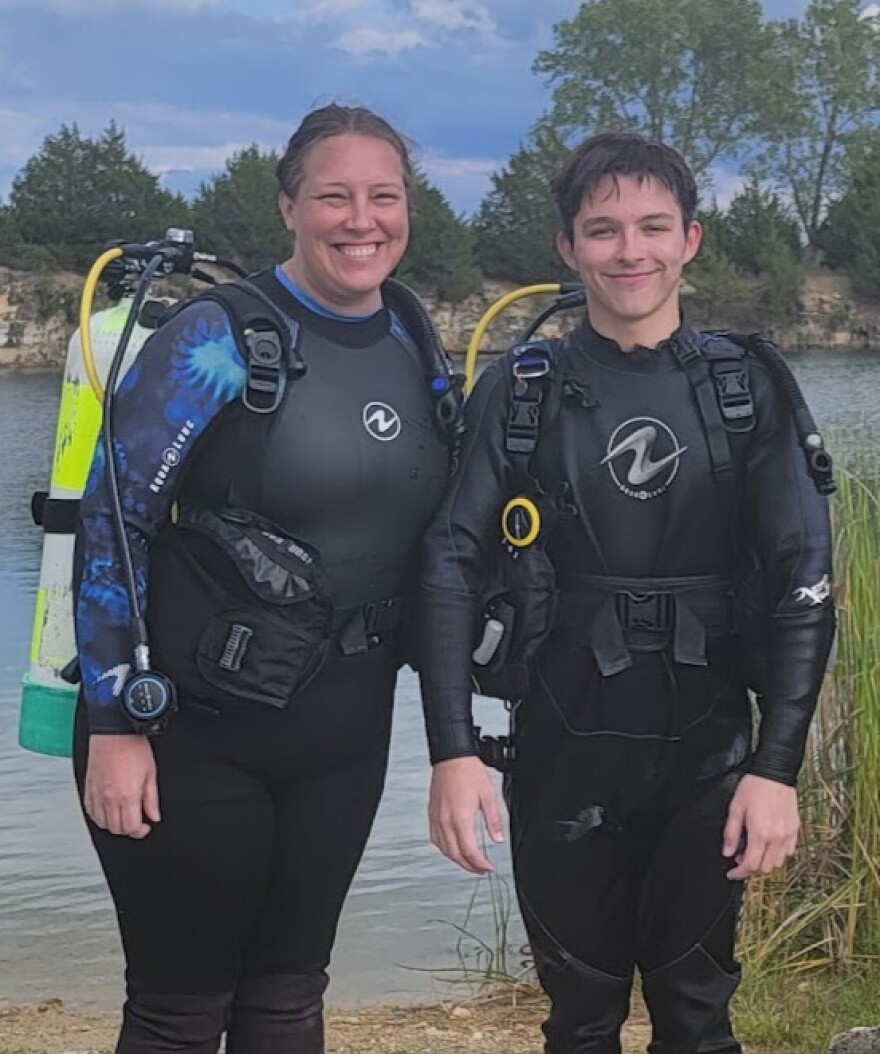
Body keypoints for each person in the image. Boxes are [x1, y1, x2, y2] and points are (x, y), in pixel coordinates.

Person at [417, 132, 835, 1053]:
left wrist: (777, 771)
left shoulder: (748, 387)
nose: (629, 250)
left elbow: (807, 576)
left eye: (652, 226)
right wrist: (451, 750)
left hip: (712, 752)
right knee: (578, 1020)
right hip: (562, 747)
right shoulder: (521, 391)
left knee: (696, 1012)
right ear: (568, 249)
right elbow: (448, 561)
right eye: (602, 230)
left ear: (691, 238)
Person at [73, 103, 457, 1054]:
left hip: (345, 732)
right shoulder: (217, 337)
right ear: (289, 206)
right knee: (179, 1007)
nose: (361, 219)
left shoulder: (412, 332)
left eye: (384, 196)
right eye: (333, 196)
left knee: (288, 999)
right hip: (190, 732)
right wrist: (116, 724)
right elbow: (110, 521)